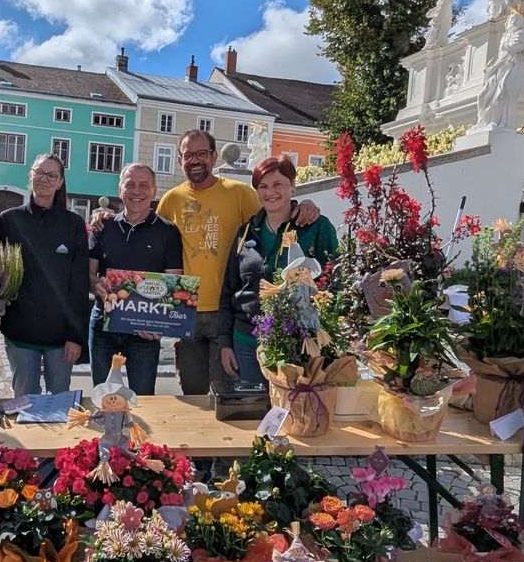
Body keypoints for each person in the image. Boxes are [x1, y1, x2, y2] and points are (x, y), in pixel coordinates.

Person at [155, 130, 320, 395]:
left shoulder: (239, 193)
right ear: (179, 160)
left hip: (227, 312)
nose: (195, 160)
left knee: (227, 393)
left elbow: (274, 211)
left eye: (201, 154)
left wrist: (304, 204)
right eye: (188, 155)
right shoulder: (170, 200)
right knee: (193, 392)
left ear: (214, 156)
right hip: (185, 310)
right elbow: (152, 240)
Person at [218, 154, 339, 382]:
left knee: (296, 411)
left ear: (292, 186)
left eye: (278, 184)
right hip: (246, 341)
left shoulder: (316, 227)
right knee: (251, 413)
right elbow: (229, 289)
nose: (270, 192)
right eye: (262, 186)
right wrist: (225, 342)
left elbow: (335, 281)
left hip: (299, 342)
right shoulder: (245, 232)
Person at [0, 153, 89, 396]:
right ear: (31, 175)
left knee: (61, 402)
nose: (44, 179)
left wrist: (76, 336)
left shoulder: (73, 224)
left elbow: (79, 284)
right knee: (25, 401)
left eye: (51, 175)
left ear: (60, 182)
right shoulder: (9, 220)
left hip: (61, 337)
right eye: (39, 173)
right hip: (20, 331)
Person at [88, 163, 182, 395]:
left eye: (144, 186)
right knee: (104, 396)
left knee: (143, 398)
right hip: (104, 324)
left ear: (154, 191)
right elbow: (88, 274)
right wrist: (95, 284)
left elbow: (173, 284)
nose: (136, 191)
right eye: (130, 185)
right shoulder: (103, 226)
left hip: (144, 329)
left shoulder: (168, 231)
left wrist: (160, 325)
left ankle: (138, 434)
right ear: (120, 190)